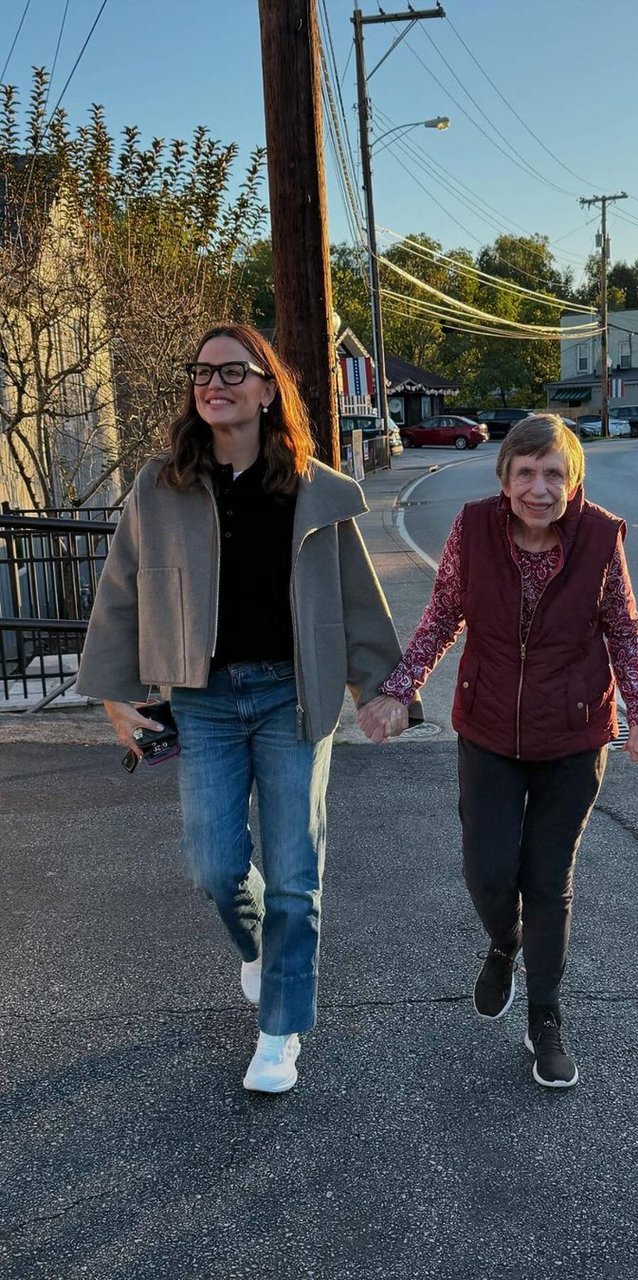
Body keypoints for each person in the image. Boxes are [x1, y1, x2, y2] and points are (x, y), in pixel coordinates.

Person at [77, 323, 416, 1093]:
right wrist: (114, 695)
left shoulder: (315, 489)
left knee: (295, 874)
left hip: (292, 696)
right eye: (202, 372)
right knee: (215, 865)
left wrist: (386, 690)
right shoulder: (160, 487)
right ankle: (263, 950)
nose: (214, 384)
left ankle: (280, 1031)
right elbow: (122, 591)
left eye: (233, 371)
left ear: (268, 389)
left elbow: (356, 600)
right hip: (203, 700)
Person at [359, 415, 638, 1088]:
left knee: (548, 880)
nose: (540, 488)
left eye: (554, 473)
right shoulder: (474, 529)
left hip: (573, 736)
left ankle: (545, 1015)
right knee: (488, 872)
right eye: (526, 473)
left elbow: (624, 630)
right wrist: (398, 688)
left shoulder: (600, 538)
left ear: (574, 480)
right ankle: (505, 942)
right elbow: (443, 615)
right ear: (504, 480)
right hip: (489, 730)